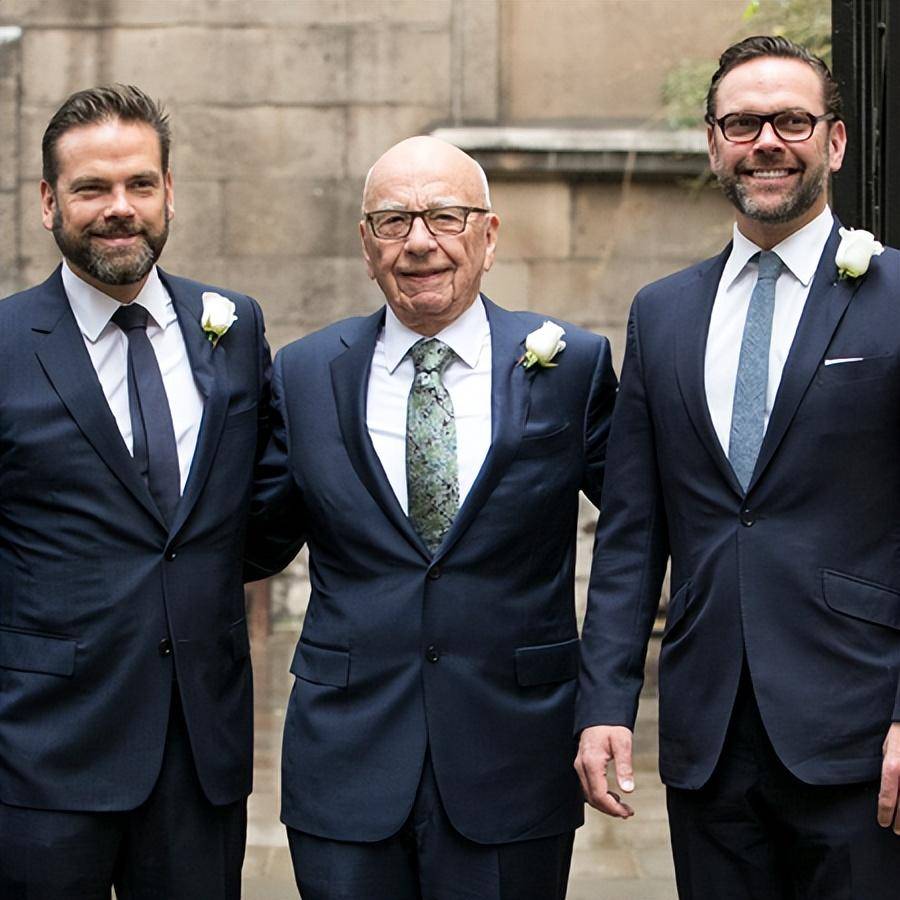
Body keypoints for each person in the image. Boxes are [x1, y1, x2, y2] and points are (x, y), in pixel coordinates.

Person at [245, 135, 617, 900]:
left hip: (514, 756)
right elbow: (250, 538)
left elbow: (641, 532)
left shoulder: (571, 367)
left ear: (489, 235)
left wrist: (608, 698)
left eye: (446, 216)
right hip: (346, 760)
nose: (419, 242)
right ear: (366, 244)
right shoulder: (305, 373)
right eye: (394, 221)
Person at [575, 34, 900, 899]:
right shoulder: (662, 313)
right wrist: (605, 703)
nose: (767, 143)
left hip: (860, 729)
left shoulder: (897, 296)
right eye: (743, 123)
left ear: (834, 141)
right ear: (714, 142)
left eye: (792, 121)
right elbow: (631, 533)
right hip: (709, 735)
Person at [0, 85, 271, 898]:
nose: (120, 208)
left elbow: (263, 505)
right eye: (92, 188)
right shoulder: (5, 345)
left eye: (140, 184)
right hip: (42, 756)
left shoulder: (235, 328)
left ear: (169, 192)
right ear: (48, 201)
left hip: (201, 754)